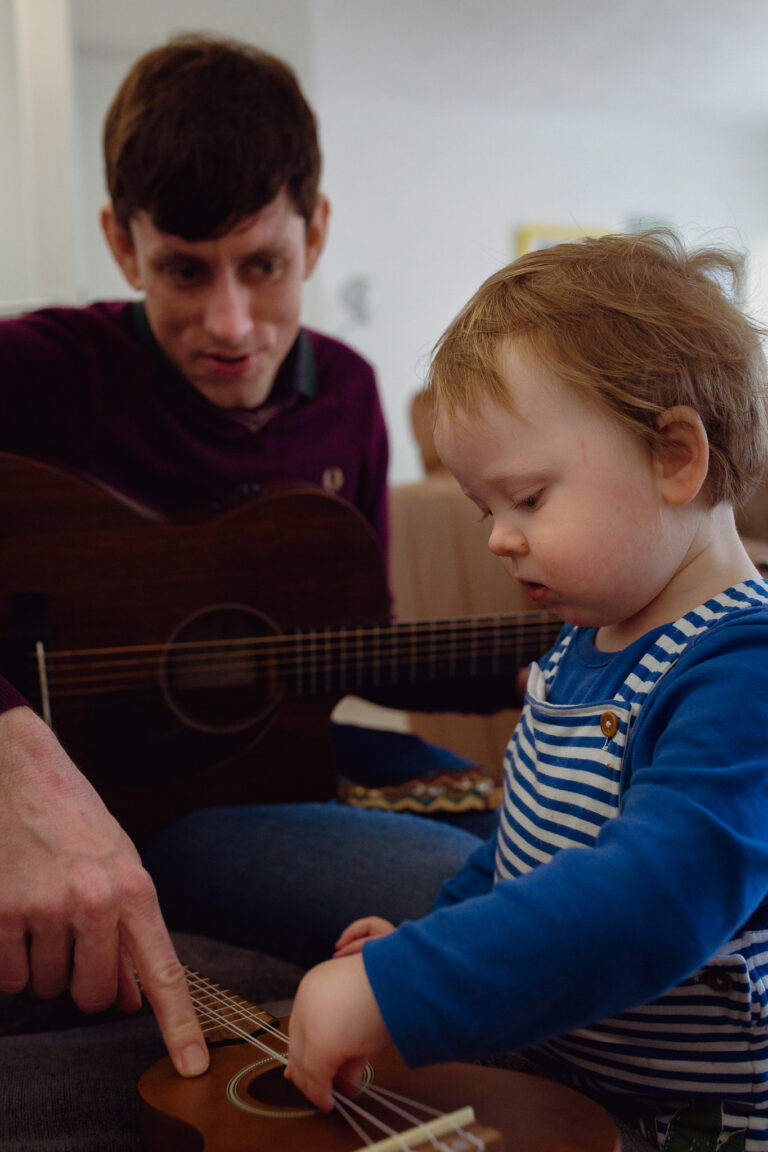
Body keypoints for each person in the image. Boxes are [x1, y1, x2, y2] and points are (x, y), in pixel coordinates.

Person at [0, 34, 505, 1082]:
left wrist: (573, 639)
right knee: (486, 904)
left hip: (284, 774)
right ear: (122, 242)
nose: (231, 324)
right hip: (151, 815)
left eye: (263, 266)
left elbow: (348, 649)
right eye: (186, 270)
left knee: (553, 851)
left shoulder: (352, 397)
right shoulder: (40, 373)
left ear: (316, 234)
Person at [285, 230, 768, 1152]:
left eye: (529, 498)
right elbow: (518, 857)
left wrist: (408, 984)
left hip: (698, 1127)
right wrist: (424, 939)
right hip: (571, 1079)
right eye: (485, 511)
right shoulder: (584, 642)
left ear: (674, 456)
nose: (499, 539)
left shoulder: (744, 671)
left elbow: (651, 900)